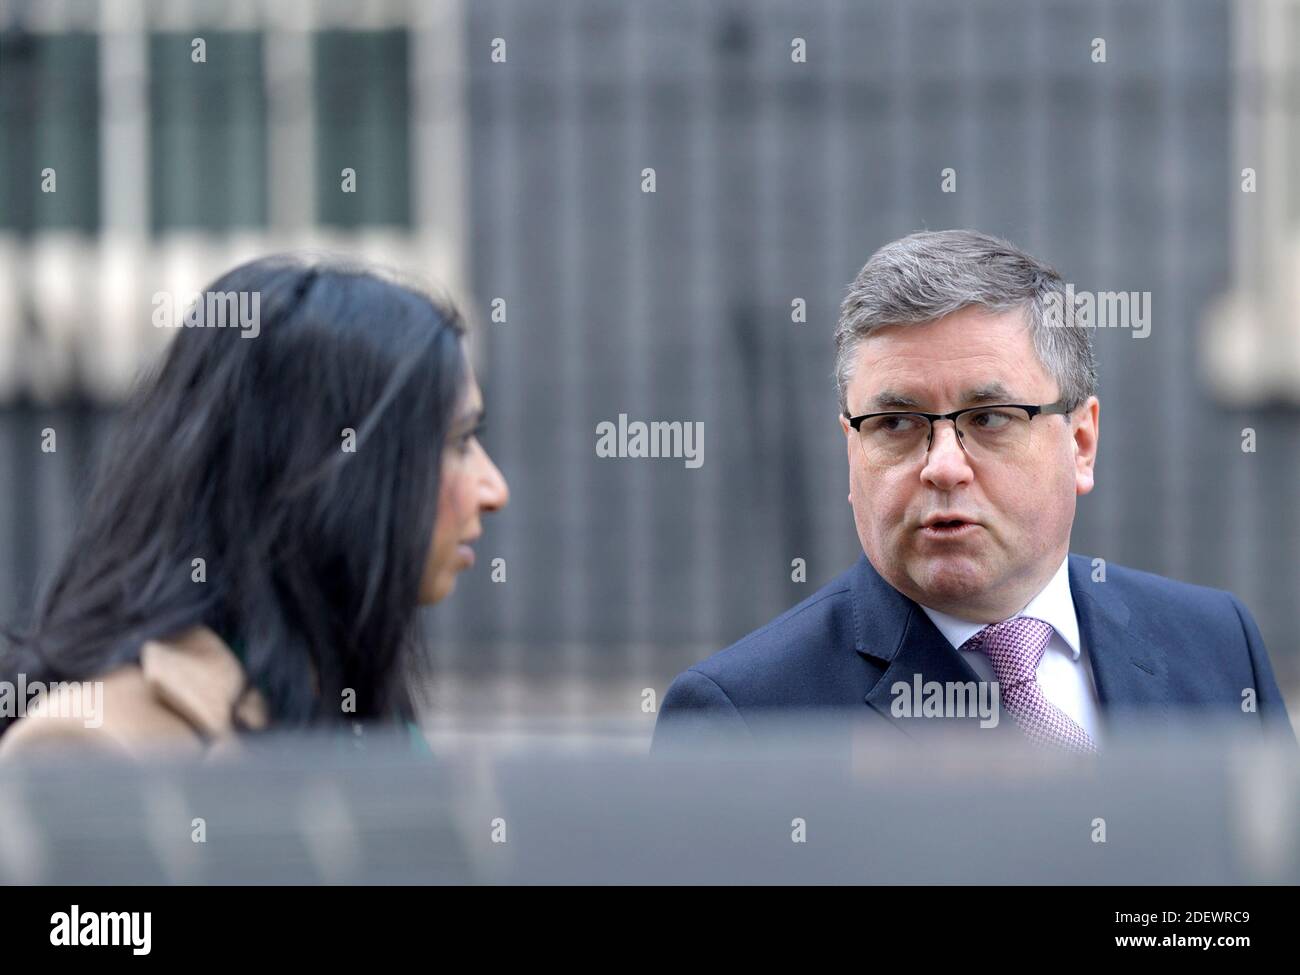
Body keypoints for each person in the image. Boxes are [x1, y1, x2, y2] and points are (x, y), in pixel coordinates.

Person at [654, 229, 1291, 753]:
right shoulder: (743, 719)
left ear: (1082, 442)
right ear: (852, 450)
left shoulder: (1216, 645)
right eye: (896, 424)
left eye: (989, 419)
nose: (944, 467)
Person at [0, 255, 508, 758]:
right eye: (459, 441)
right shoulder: (93, 745)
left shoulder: (356, 710)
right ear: (328, 471)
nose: (494, 490)